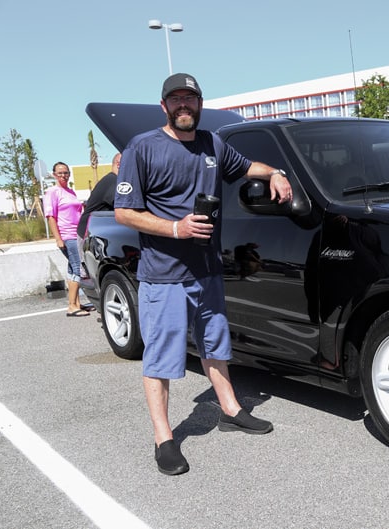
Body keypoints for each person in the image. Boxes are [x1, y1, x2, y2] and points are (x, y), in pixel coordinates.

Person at [114, 73, 293, 476]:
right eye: (175, 99)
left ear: (199, 103)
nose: (183, 105)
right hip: (164, 275)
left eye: (190, 98)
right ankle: (164, 438)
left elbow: (249, 167)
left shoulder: (213, 143)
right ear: (164, 106)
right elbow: (124, 212)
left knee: (215, 345)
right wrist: (176, 228)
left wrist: (276, 172)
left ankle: (230, 409)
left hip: (207, 270)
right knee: (160, 360)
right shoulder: (142, 147)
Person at [44, 162, 91, 317]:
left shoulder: (70, 191)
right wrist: (58, 239)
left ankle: (76, 303)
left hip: (77, 234)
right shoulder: (52, 192)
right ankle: (71, 306)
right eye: (60, 173)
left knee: (73, 268)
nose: (63, 175)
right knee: (78, 267)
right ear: (54, 175)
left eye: (66, 172)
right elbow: (51, 217)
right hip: (67, 235)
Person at [77, 152, 121, 239]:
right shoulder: (112, 181)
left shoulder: (111, 180)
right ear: (119, 164)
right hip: (89, 234)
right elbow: (125, 206)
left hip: (91, 231)